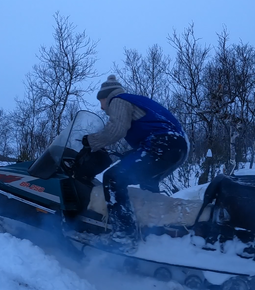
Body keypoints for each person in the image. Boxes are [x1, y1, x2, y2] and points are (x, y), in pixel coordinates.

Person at [80, 74, 188, 253]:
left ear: (108, 96)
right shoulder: (138, 102)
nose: (101, 106)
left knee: (113, 178)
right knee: (147, 186)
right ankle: (154, 232)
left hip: (162, 144)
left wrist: (90, 141)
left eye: (101, 101)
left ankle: (124, 236)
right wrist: (130, 153)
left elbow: (116, 130)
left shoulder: (119, 100)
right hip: (177, 148)